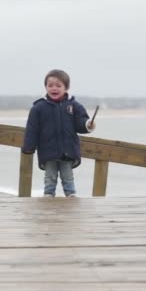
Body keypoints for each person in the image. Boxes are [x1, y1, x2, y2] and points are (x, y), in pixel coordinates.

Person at [21, 69, 96, 197]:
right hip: (48, 150)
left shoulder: (74, 105)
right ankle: (48, 194)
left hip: (68, 150)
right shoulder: (39, 107)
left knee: (67, 175)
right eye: (50, 85)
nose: (54, 88)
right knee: (50, 175)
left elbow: (80, 122)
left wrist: (87, 124)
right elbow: (32, 129)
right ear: (45, 87)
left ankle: (71, 194)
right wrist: (29, 147)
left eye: (58, 85)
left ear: (66, 87)